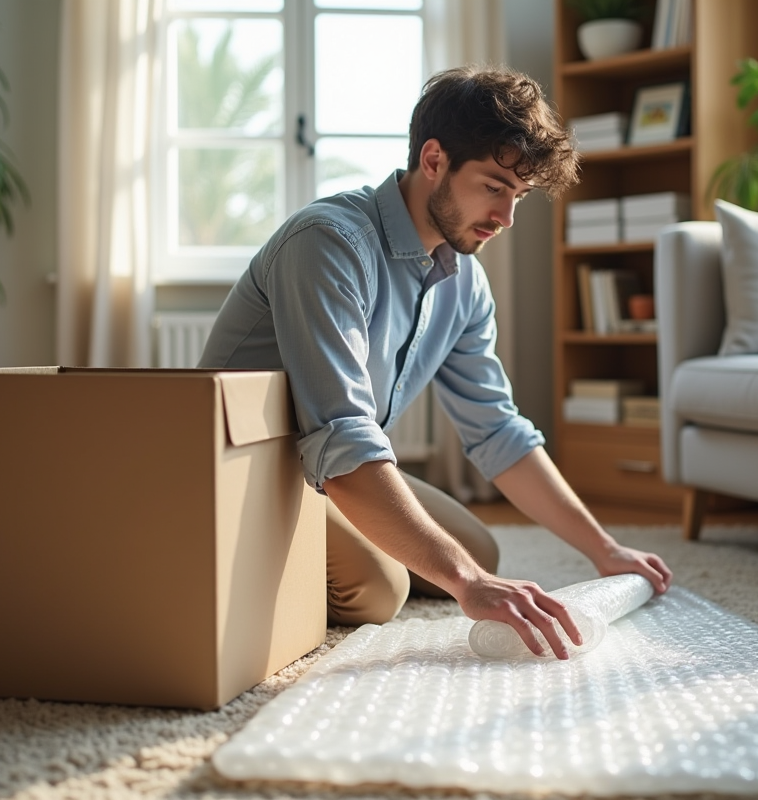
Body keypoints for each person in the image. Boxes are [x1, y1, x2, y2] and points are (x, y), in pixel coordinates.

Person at [199, 65, 672, 660]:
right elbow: (342, 436)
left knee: (478, 547)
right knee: (379, 587)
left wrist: (603, 550)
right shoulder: (328, 242)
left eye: (518, 196)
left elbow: (497, 431)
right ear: (433, 160)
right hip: (250, 470)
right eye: (494, 186)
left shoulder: (464, 282)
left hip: (322, 461)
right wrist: (466, 584)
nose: (506, 218)